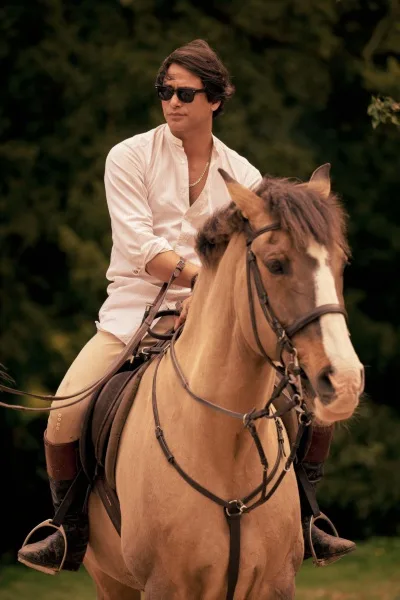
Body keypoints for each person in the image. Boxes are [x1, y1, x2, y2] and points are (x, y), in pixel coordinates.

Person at [18, 39, 354, 575]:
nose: (171, 102)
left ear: (215, 100)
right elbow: (139, 247)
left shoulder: (243, 175)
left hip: (219, 321)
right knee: (63, 412)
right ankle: (66, 528)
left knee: (307, 405)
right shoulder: (128, 156)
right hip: (134, 314)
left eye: (185, 93)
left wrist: (218, 297)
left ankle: (309, 519)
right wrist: (203, 280)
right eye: (164, 91)